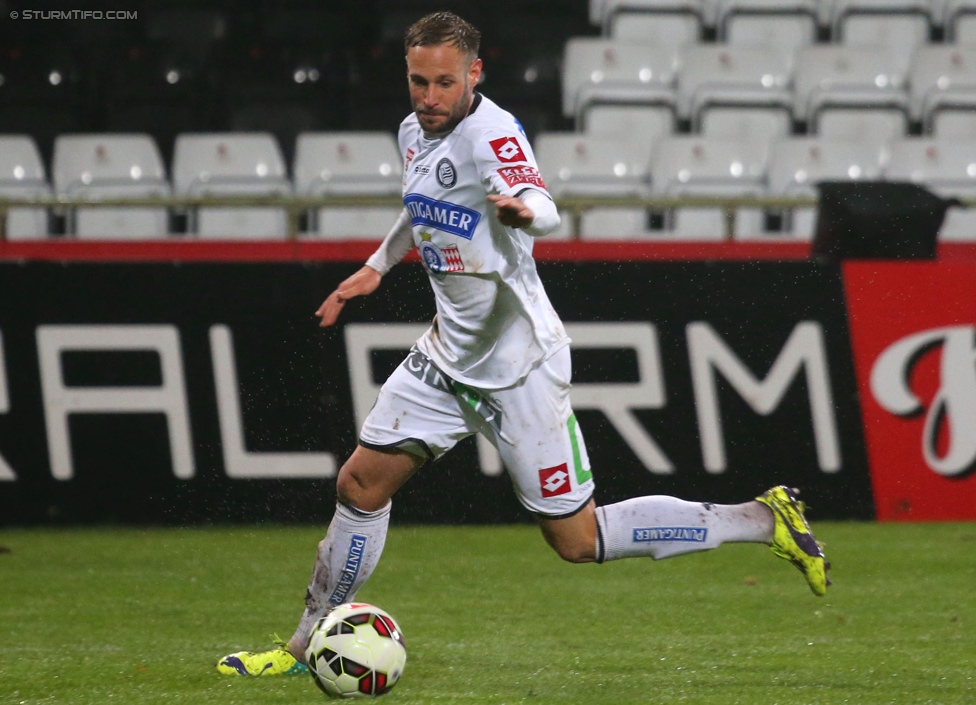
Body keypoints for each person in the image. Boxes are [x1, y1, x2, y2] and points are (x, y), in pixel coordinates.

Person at [217, 11, 829, 678]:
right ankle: (304, 646)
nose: (428, 98)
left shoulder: (494, 134)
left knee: (578, 539)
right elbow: (421, 204)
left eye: (443, 83)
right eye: (417, 82)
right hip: (446, 359)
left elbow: (543, 203)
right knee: (360, 483)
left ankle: (760, 518)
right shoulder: (414, 131)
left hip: (519, 370)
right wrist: (376, 265)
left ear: (474, 73)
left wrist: (523, 209)